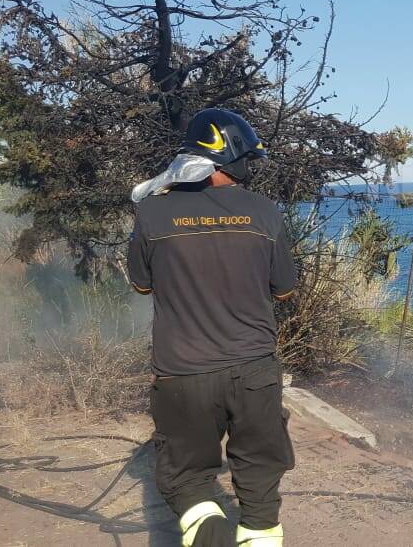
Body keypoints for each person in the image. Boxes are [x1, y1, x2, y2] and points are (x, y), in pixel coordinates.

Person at [127, 108, 299, 547]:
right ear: (231, 159)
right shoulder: (265, 212)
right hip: (256, 373)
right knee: (260, 485)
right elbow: (284, 289)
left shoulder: (151, 213)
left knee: (187, 480)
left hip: (184, 374)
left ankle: (209, 530)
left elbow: (141, 285)